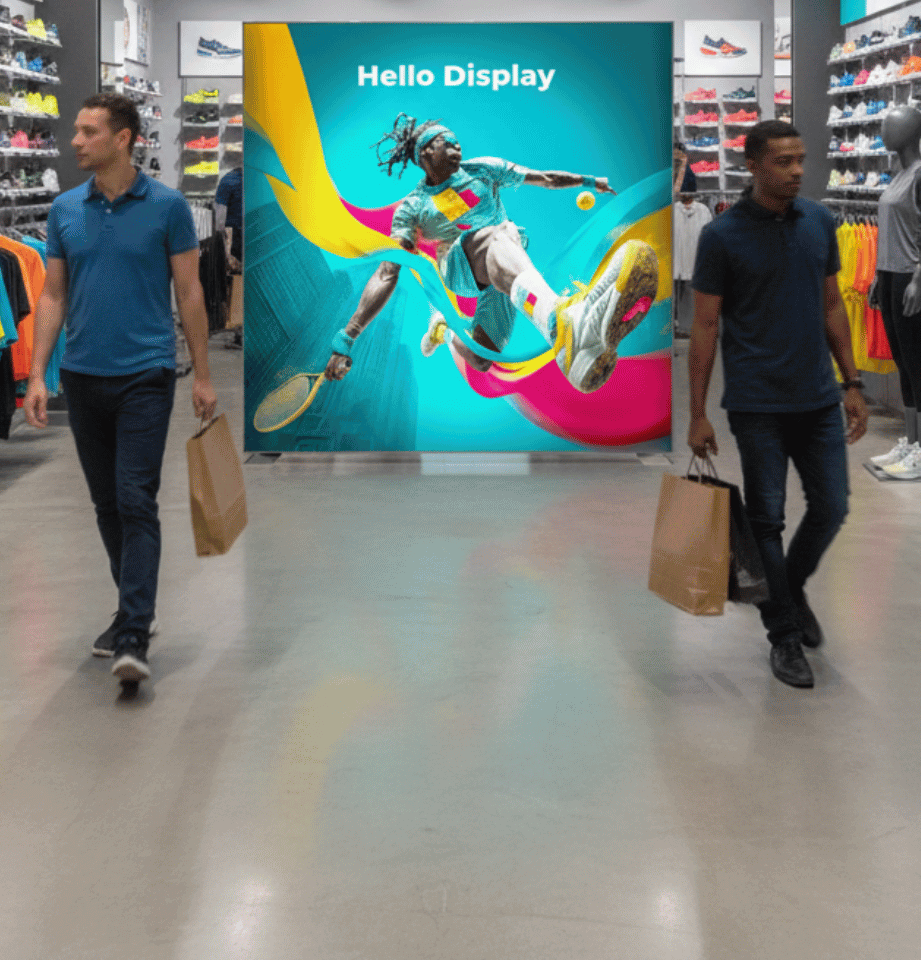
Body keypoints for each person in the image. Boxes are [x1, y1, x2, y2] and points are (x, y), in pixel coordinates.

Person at [26, 93, 218, 688]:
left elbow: (189, 293)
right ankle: (132, 606)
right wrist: (37, 373)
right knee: (107, 504)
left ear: (124, 138)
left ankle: (134, 629)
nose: (75, 142)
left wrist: (204, 377)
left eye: (88, 132)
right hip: (83, 375)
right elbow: (53, 294)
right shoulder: (65, 210)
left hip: (146, 374)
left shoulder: (167, 208)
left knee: (135, 498)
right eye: (76, 131)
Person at [687, 119, 869, 690]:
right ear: (754, 166)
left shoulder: (820, 220)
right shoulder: (721, 237)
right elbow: (705, 326)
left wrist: (852, 381)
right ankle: (784, 636)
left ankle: (786, 591)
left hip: (816, 398)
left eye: (801, 161)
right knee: (765, 518)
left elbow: (832, 305)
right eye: (784, 162)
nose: (796, 172)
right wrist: (696, 414)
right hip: (756, 402)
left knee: (833, 506)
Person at [324, 113, 658, 394]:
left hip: (502, 266)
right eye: (448, 142)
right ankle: (564, 320)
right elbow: (387, 272)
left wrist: (588, 180)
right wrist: (346, 337)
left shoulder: (482, 169)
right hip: (459, 268)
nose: (458, 146)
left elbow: (544, 178)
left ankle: (450, 331)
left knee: (483, 356)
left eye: (458, 142)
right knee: (498, 231)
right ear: (426, 151)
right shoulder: (412, 208)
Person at [214, 164, 243, 349]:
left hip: (237, 242)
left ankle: (240, 333)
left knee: (237, 287)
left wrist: (220, 242)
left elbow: (219, 218)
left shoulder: (228, 180)